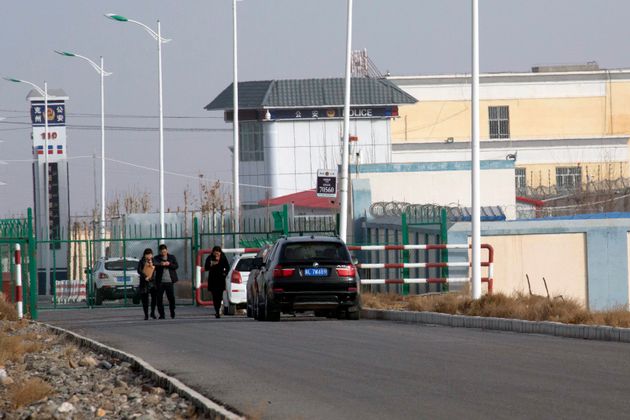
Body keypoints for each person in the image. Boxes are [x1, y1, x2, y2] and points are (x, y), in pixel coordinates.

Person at [204, 245, 230, 318]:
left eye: (218, 253)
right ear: (213, 252)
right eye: (215, 253)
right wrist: (211, 264)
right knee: (215, 296)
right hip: (212, 279)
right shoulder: (210, 258)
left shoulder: (223, 258)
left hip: (221, 279)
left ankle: (218, 309)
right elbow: (206, 267)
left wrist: (224, 273)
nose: (217, 255)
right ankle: (217, 310)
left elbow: (227, 267)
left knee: (219, 296)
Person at [154, 244, 179, 319]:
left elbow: (176, 266)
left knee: (171, 298)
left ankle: (172, 312)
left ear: (167, 250)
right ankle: (162, 314)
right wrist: (161, 264)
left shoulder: (172, 257)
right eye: (162, 252)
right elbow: (154, 265)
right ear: (159, 252)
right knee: (159, 299)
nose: (163, 253)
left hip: (169, 281)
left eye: (164, 251)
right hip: (160, 282)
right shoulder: (156, 258)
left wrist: (169, 264)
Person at [137, 248, 157, 320]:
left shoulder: (154, 261)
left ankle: (152, 313)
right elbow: (139, 270)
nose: (149, 256)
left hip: (152, 282)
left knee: (154, 298)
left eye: (150, 254)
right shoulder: (141, 261)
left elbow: (156, 268)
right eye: (147, 254)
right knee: (145, 300)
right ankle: (146, 314)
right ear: (144, 255)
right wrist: (145, 277)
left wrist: (152, 265)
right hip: (144, 282)